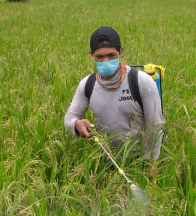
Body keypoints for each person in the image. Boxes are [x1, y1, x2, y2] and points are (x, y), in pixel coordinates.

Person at [64, 26, 165, 160]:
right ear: (91, 55)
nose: (106, 61)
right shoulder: (87, 84)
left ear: (120, 51)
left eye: (111, 55)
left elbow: (155, 126)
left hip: (138, 159)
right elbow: (70, 116)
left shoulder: (141, 81)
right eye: (99, 57)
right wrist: (76, 123)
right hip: (106, 158)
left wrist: (151, 165)